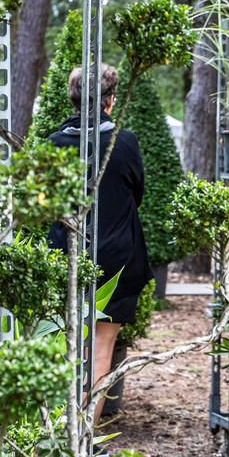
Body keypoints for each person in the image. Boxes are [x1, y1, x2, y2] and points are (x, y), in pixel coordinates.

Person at [47, 64, 154, 423]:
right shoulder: (125, 142)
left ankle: (60, 433)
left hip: (66, 257)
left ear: (73, 100)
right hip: (118, 259)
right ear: (110, 102)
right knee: (102, 347)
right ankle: (84, 437)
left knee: (66, 345)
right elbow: (136, 193)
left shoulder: (55, 143)